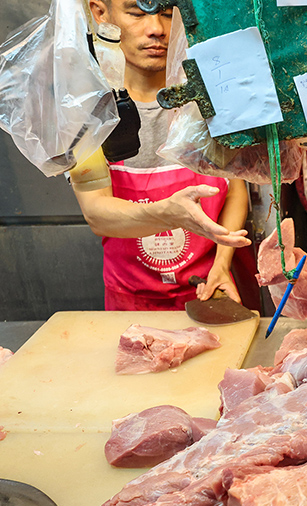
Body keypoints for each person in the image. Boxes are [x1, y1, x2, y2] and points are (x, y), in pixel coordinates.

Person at [73, 0, 251, 310]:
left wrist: (222, 261)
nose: (157, 29)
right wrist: (168, 214)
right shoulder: (89, 112)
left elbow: (235, 190)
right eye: (137, 13)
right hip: (129, 303)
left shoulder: (207, 100)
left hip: (207, 294)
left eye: (168, 13)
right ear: (101, 13)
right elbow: (96, 213)